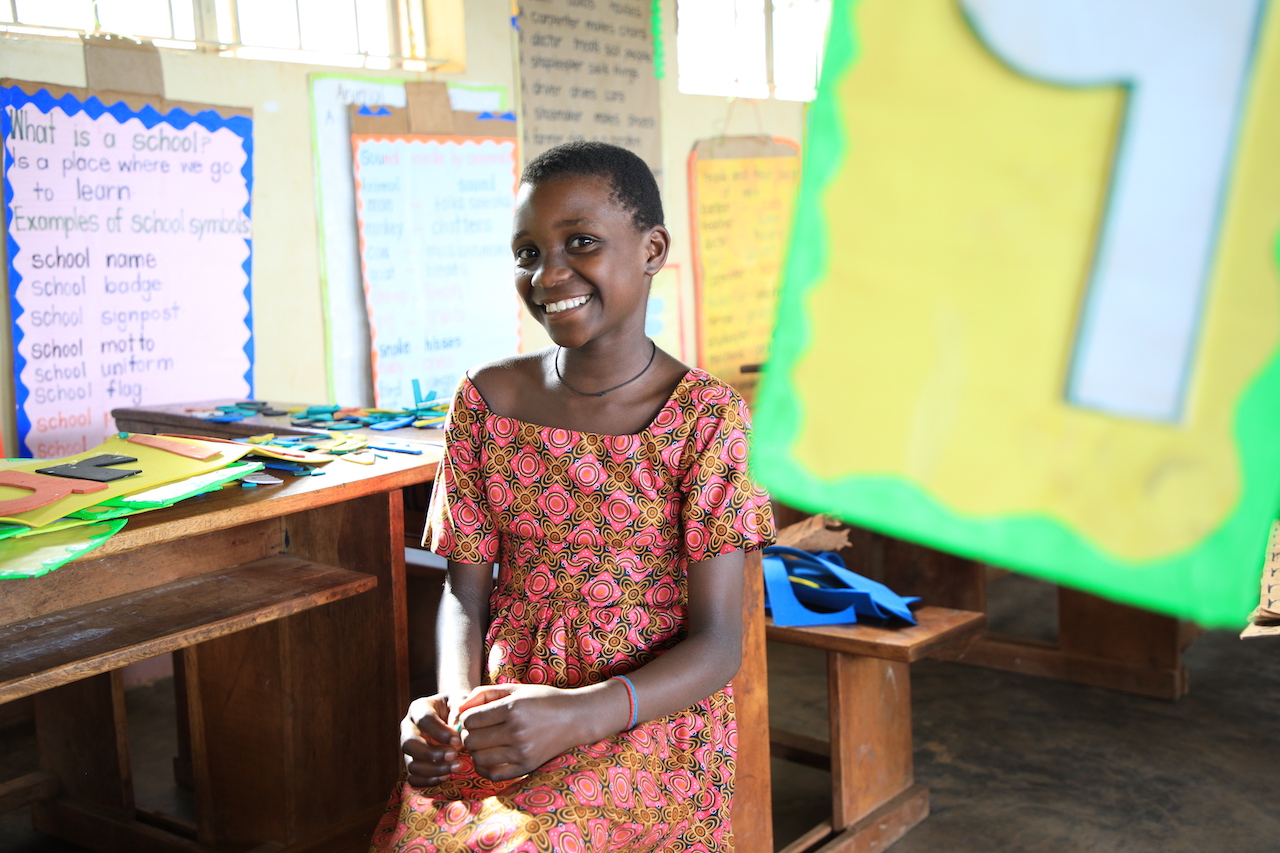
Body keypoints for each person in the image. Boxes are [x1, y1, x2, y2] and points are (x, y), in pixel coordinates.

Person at [369, 140, 775, 852]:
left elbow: (718, 645)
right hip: (504, 709)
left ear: (652, 249)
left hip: (645, 718)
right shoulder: (484, 400)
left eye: (579, 243)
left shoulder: (707, 419)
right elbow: (466, 593)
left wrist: (581, 714)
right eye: (527, 251)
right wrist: (450, 707)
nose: (548, 273)